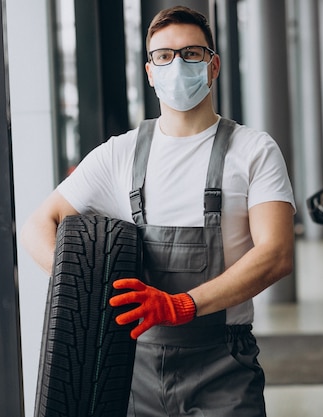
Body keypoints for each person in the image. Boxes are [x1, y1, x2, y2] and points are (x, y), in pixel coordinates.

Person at [21, 5, 295, 417]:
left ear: (213, 65)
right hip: (134, 369)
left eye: (191, 54)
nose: (177, 64)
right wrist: (84, 291)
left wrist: (181, 304)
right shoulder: (120, 154)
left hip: (224, 364)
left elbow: (276, 253)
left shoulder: (254, 150)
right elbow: (39, 225)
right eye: (164, 56)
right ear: (150, 73)